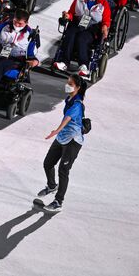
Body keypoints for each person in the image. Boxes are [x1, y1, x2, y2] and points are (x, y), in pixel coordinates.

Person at [38, 74, 88, 212]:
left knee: (63, 170)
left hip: (73, 141)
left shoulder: (77, 104)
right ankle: (52, 186)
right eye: (68, 82)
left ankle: (58, 201)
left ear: (77, 88)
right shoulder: (69, 98)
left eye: (70, 84)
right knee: (48, 163)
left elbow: (67, 118)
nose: (67, 85)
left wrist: (56, 131)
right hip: (62, 137)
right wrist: (59, 133)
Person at [53, 0, 111, 76]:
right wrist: (67, 15)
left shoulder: (103, 4)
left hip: (92, 27)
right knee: (70, 34)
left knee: (82, 39)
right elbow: (71, 12)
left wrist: (105, 27)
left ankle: (84, 65)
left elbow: (106, 20)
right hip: (79, 23)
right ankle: (64, 63)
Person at [0, 8, 40, 92]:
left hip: (15, 60)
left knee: (1, 65)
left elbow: (31, 54)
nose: (17, 25)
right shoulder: (4, 26)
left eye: (20, 24)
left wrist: (34, 61)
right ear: (13, 18)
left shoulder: (30, 34)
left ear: (26, 23)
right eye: (15, 22)